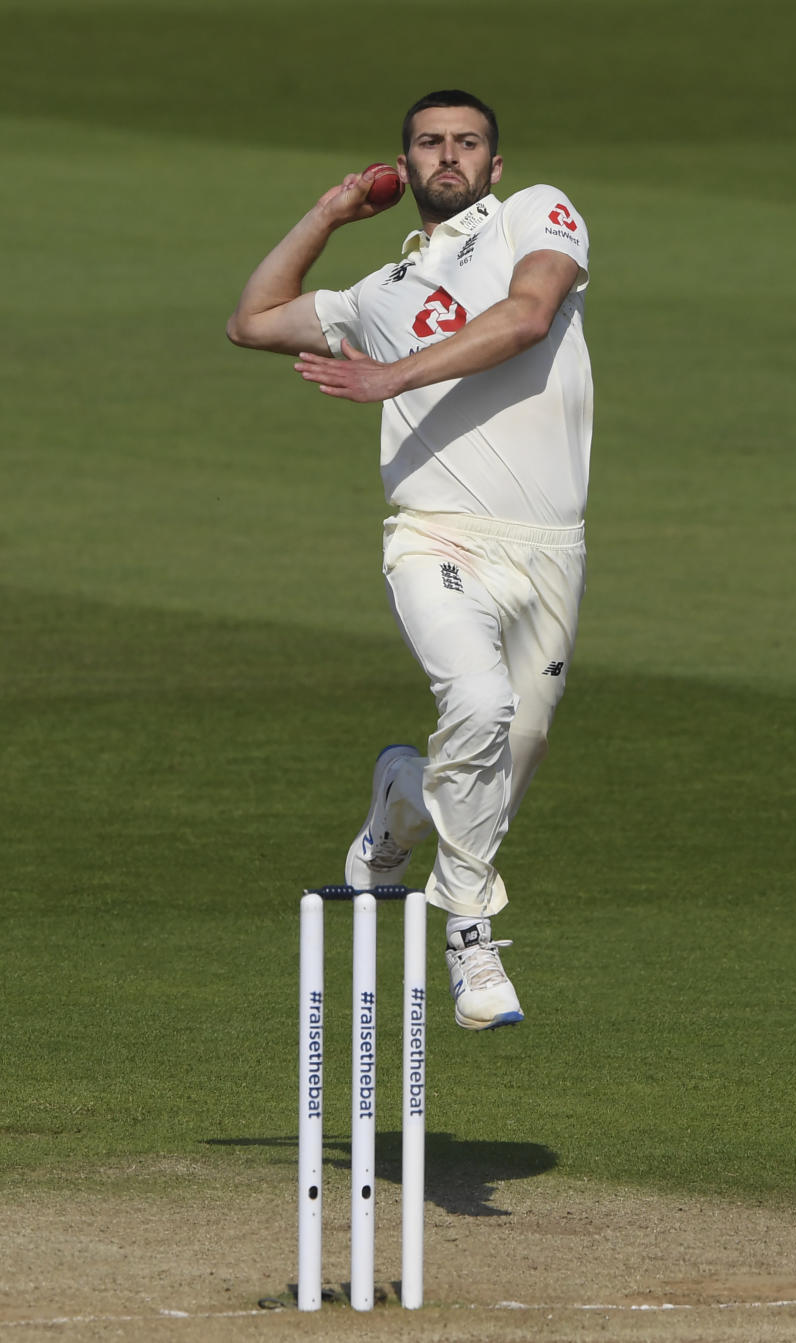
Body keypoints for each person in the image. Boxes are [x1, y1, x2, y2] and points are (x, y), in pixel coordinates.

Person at [227, 90, 593, 1032]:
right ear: (405, 158)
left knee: (499, 763)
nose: (449, 155)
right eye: (430, 142)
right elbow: (254, 320)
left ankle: (400, 792)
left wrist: (391, 376)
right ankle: (468, 929)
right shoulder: (373, 296)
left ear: (494, 163)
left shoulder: (533, 213)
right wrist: (328, 215)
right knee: (475, 706)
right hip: (433, 534)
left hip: (548, 546)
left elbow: (527, 316)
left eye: (468, 143)